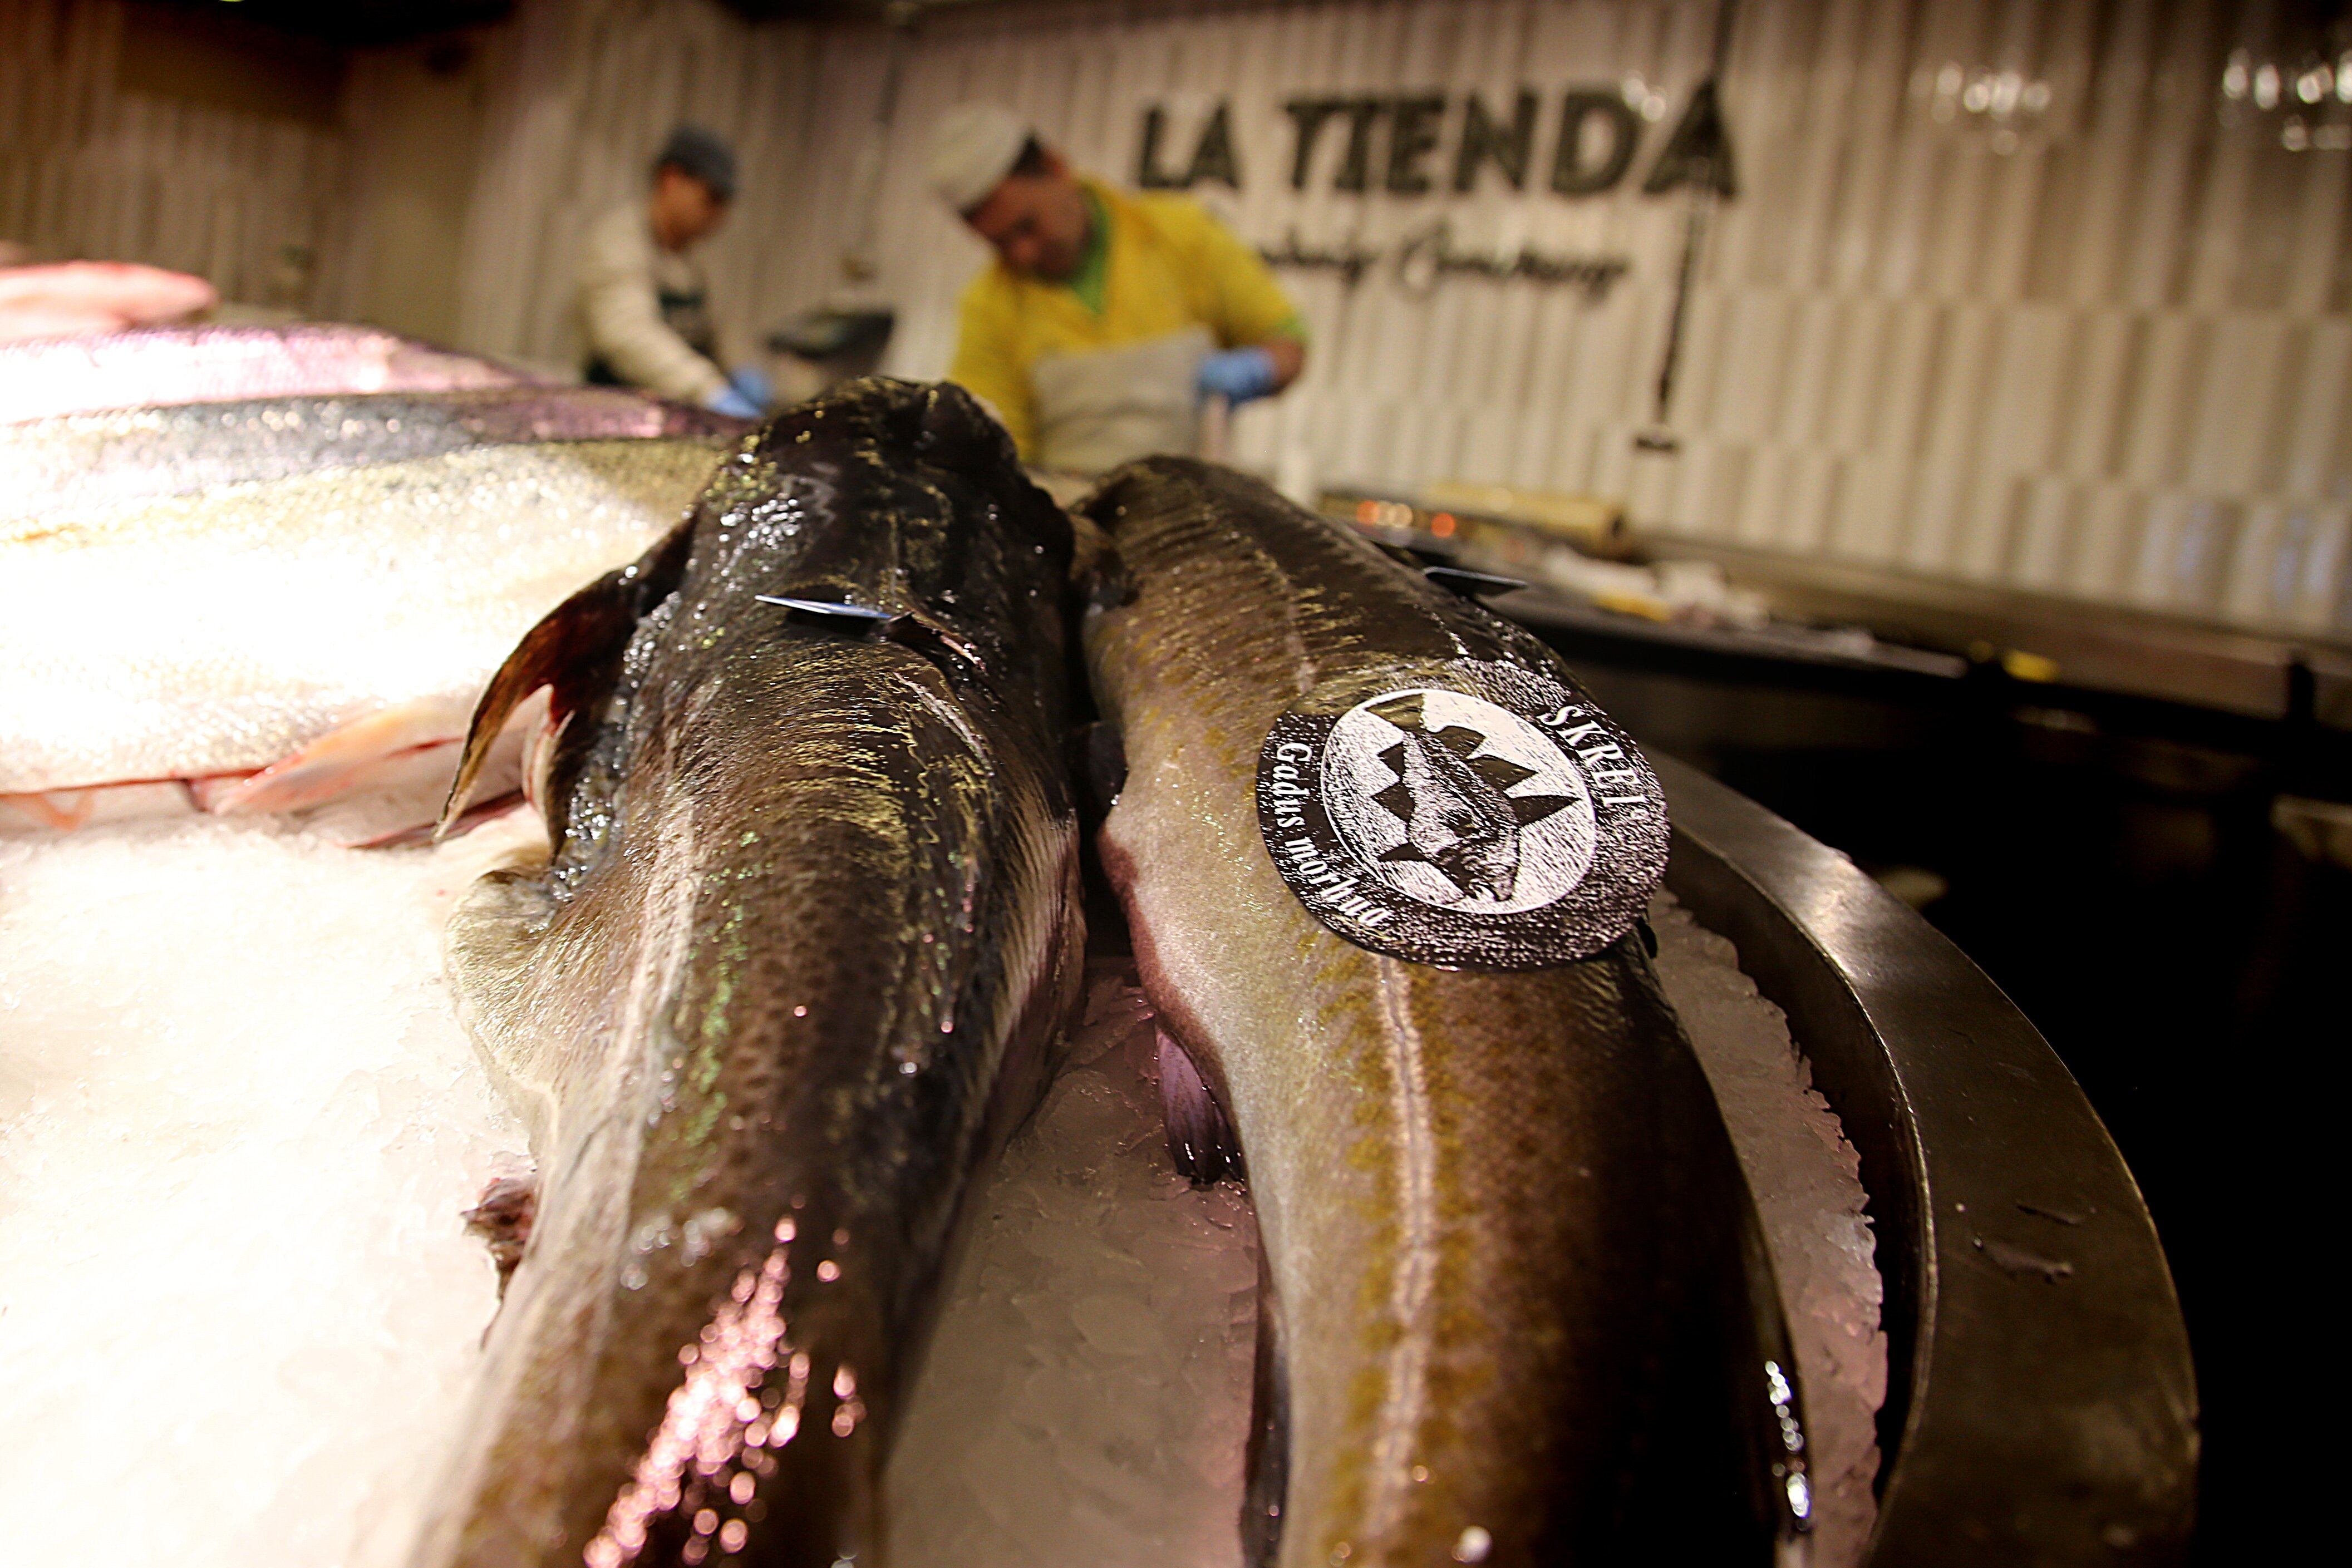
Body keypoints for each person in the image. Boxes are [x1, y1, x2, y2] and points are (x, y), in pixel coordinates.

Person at [927, 104, 1306, 473]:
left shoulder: (1185, 234)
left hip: (1190, 500)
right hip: (1066, 508)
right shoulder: (987, 305)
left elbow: (1288, 340)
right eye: (1000, 243)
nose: (1022, 253)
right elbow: (993, 451)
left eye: (1027, 226)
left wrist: (1259, 368)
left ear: (1056, 168)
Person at [577, 125, 770, 418]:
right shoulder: (618, 242)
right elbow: (629, 336)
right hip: (611, 416)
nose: (720, 217)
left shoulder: (693, 261)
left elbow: (718, 333)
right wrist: (709, 391)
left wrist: (741, 369)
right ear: (671, 179)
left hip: (671, 419)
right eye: (712, 199)